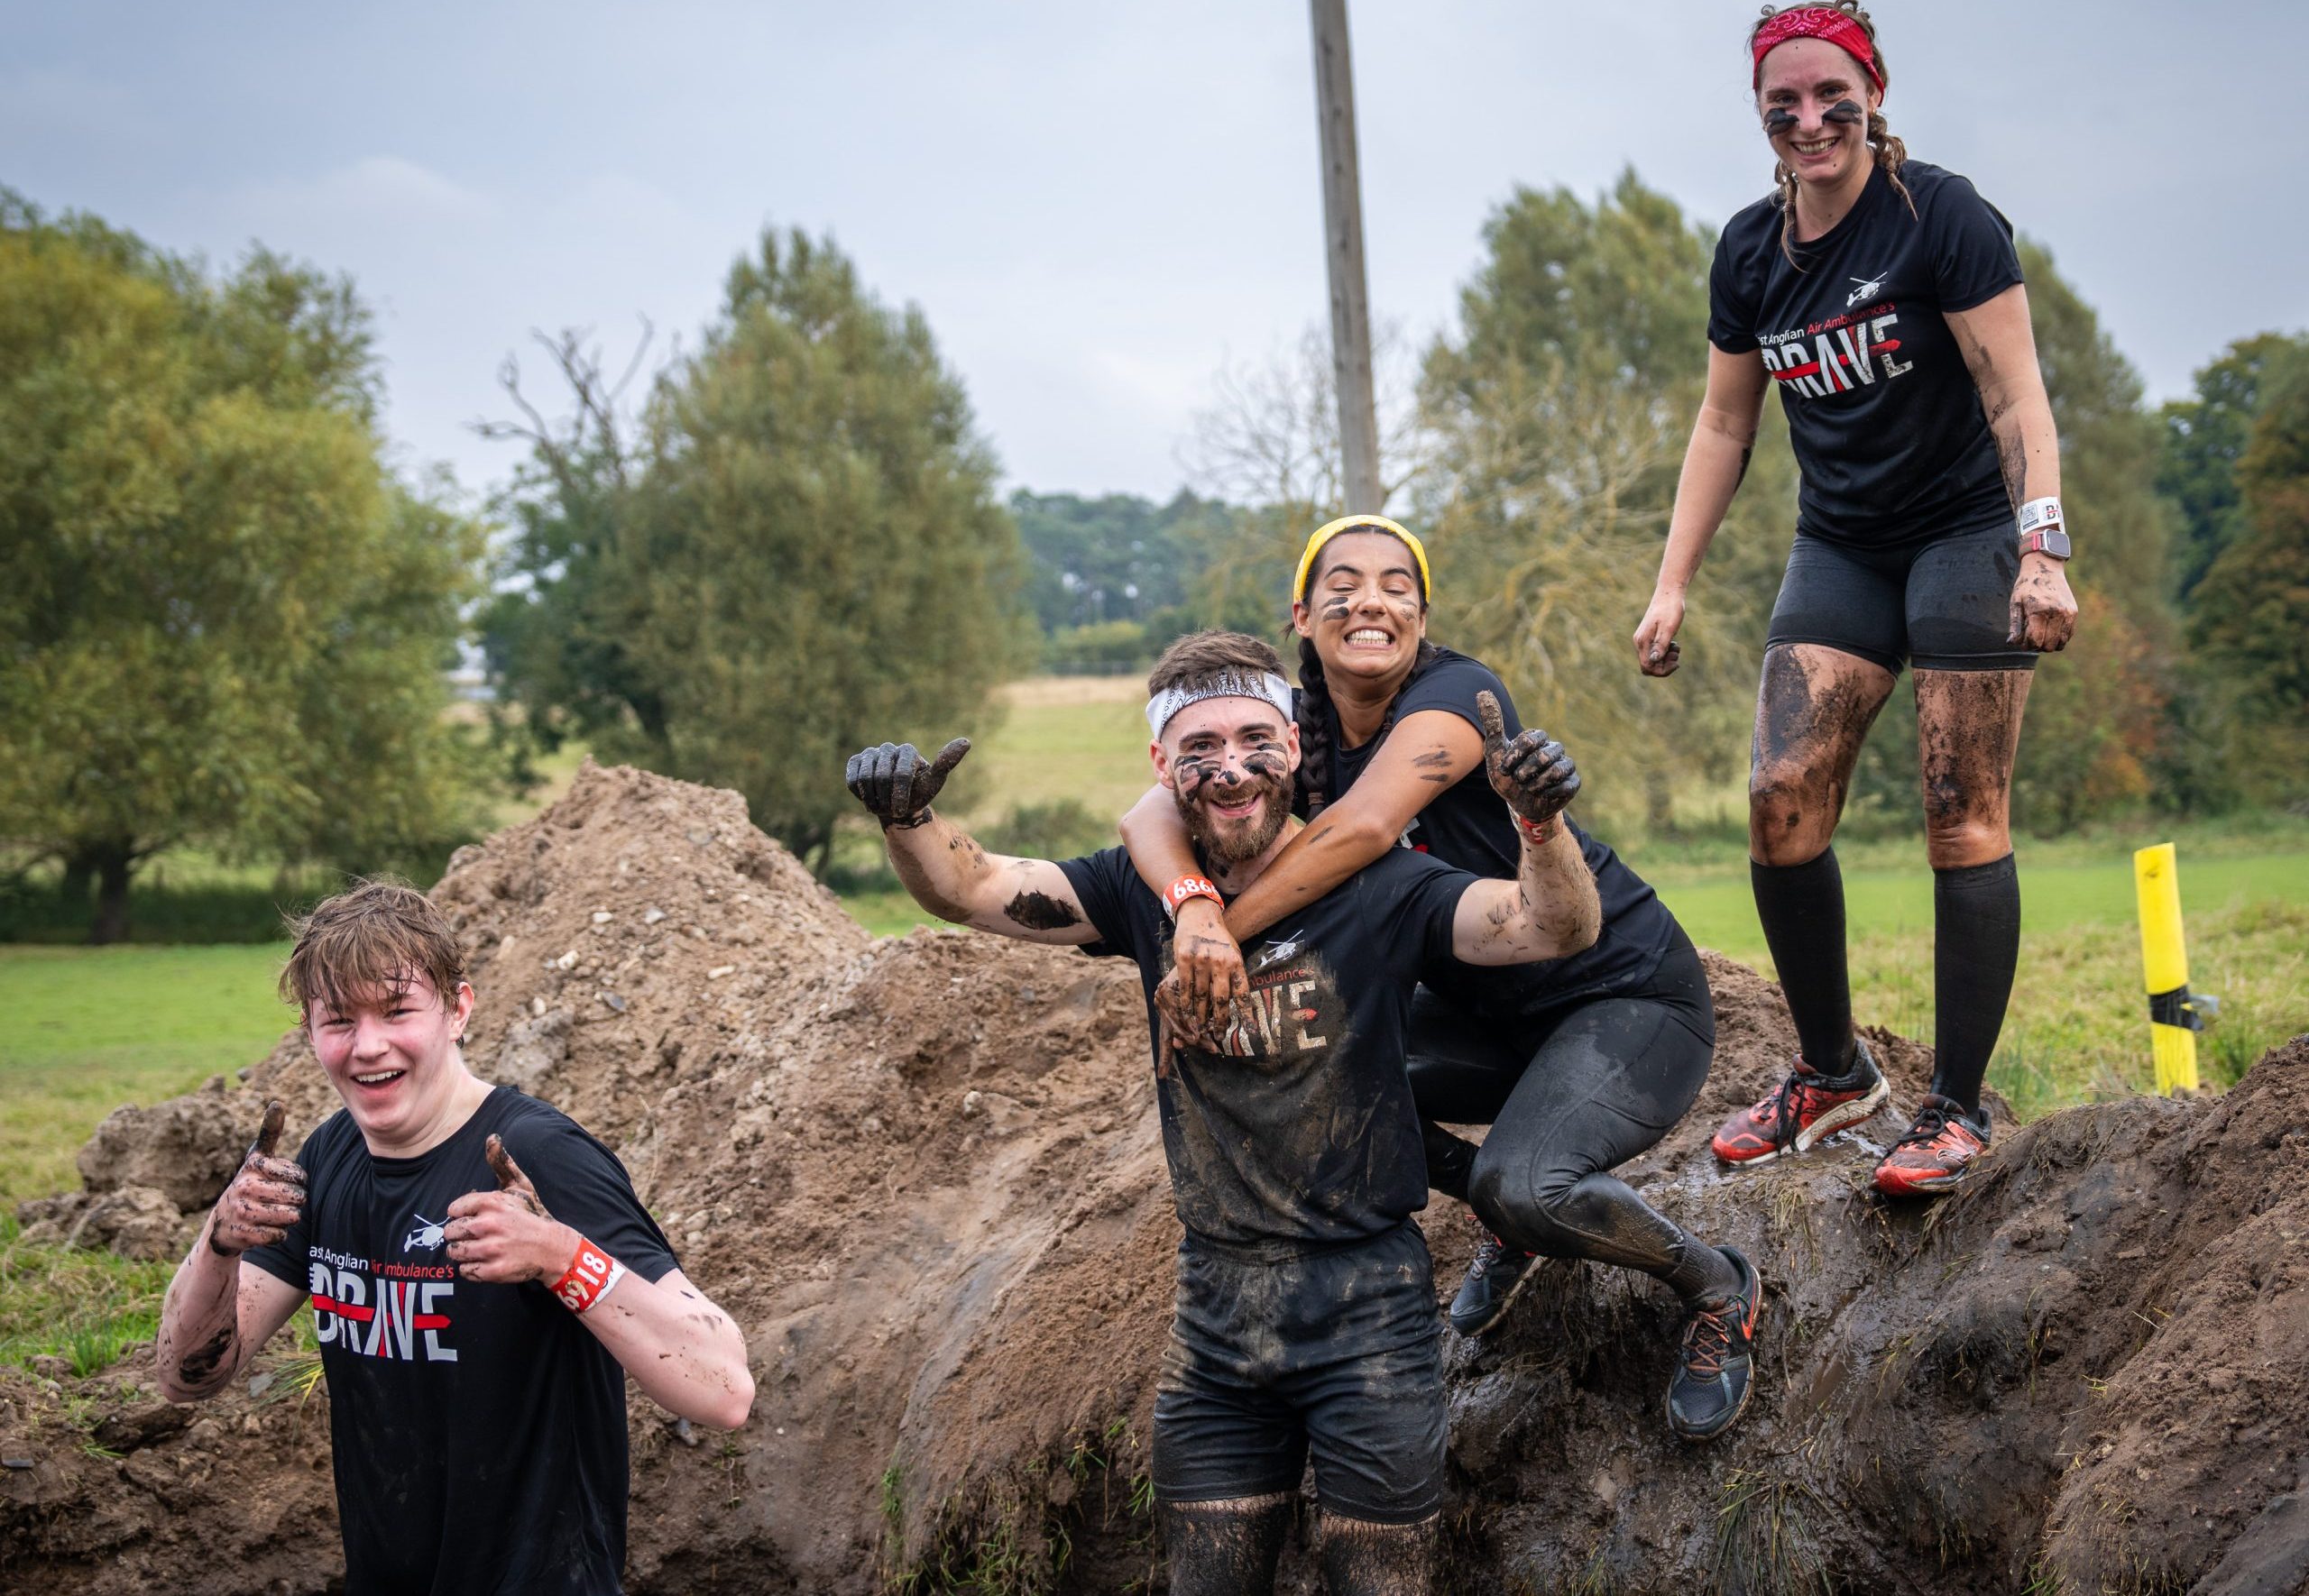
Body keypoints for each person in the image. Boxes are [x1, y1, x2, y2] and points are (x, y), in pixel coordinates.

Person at [846, 629, 1633, 1594]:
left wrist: (1540, 827)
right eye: (1199, 746)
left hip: (1369, 1312)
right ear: (1161, 765)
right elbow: (971, 888)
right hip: (1216, 1318)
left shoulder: (1381, 886)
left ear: (1296, 746)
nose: (1229, 768)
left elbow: (1552, 926)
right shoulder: (1138, 893)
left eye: (1253, 739)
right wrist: (910, 816)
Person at [1124, 516, 1759, 1445]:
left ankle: (1715, 1285)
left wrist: (1220, 933)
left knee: (1528, 1181)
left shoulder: (1457, 695)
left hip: (1620, 994)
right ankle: (1513, 1226)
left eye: (1395, 585)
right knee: (1327, 1092)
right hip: (1486, 1009)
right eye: (1341, 583)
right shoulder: (1295, 730)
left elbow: (1366, 830)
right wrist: (1187, 905)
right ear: (1303, 614)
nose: (1368, 600)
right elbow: (1151, 807)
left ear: (1423, 615)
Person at [1633, 0, 2077, 1195]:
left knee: (1957, 808)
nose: (1811, 119)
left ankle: (1959, 1109)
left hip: (1968, 535)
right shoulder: (1748, 250)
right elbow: (1726, 420)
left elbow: (2018, 396)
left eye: (1833, 95)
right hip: (1841, 543)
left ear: (1872, 92)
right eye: (1784, 105)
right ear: (1763, 118)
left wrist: (2045, 548)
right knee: (1780, 795)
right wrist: (1672, 584)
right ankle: (1832, 1075)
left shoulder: (1943, 217)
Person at [155, 879, 754, 1595]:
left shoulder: (541, 1156)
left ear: (458, 1009)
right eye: (338, 1020)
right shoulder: (326, 1159)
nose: (367, 1046)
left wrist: (562, 1257)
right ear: (310, 1033)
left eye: (397, 1011)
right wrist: (219, 1244)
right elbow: (186, 1376)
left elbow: (724, 1390)